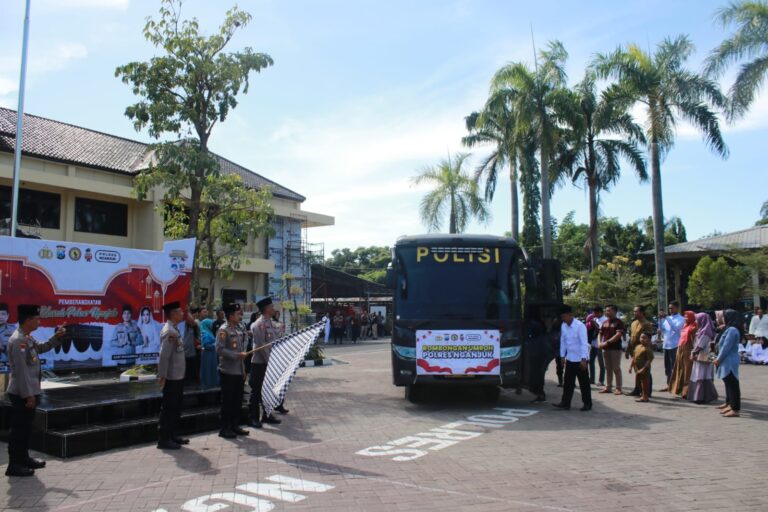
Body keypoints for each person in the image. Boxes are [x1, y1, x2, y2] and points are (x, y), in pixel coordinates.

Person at [5, 305, 65, 477]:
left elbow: (42, 347)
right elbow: (21, 371)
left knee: (26, 429)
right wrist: (28, 395)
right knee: (19, 429)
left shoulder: (27, 338)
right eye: (36, 319)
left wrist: (57, 336)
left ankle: (24, 458)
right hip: (22, 393)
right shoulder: (18, 340)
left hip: (30, 391)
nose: (39, 321)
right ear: (28, 320)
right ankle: (14, 464)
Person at [249, 297, 286, 428]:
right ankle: (253, 417)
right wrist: (272, 363)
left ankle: (267, 414)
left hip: (269, 362)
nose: (273, 308)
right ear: (265, 309)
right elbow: (262, 347)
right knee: (257, 391)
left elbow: (275, 343)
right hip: (260, 363)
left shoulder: (271, 323)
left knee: (268, 390)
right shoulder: (258, 325)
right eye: (271, 306)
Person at [157, 301, 188, 450]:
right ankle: (164, 439)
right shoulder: (169, 331)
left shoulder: (175, 329)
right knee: (169, 408)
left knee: (176, 408)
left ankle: (172, 435)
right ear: (173, 314)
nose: (182, 314)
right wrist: (162, 375)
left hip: (178, 376)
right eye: (180, 311)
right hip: (171, 377)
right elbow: (164, 356)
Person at [216, 303, 250, 438]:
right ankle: (225, 428)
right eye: (237, 314)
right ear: (230, 316)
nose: (240, 316)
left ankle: (235, 425)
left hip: (238, 370)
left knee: (237, 401)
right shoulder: (223, 330)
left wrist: (244, 369)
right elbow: (219, 349)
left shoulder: (238, 329)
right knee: (228, 402)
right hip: (228, 371)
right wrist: (235, 355)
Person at [552, 305, 592, 412]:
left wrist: (584, 359)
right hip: (570, 358)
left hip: (580, 359)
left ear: (570, 315)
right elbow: (563, 341)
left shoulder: (580, 326)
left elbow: (584, 343)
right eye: (562, 317)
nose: (563, 319)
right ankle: (565, 403)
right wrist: (562, 356)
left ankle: (587, 403)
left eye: (564, 316)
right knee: (568, 382)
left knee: (584, 383)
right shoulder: (564, 326)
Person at [715, 310, 742, 418]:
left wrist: (719, 358)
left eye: (725, 316)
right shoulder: (730, 329)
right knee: (728, 382)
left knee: (732, 384)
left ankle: (735, 408)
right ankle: (730, 404)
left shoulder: (732, 330)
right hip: (726, 360)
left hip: (729, 360)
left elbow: (726, 346)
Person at [688, 312, 718, 404]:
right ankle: (704, 396)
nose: (696, 321)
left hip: (703, 357)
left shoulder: (705, 333)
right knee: (704, 375)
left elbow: (700, 346)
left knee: (700, 376)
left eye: (697, 319)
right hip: (706, 357)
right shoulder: (706, 331)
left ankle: (701, 397)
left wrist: (693, 353)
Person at [627, 305, 655, 397]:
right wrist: (628, 349)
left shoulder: (647, 324)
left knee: (645, 371)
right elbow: (631, 337)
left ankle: (647, 392)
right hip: (635, 350)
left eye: (636, 311)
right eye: (634, 311)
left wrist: (647, 351)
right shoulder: (633, 323)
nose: (634, 313)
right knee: (637, 370)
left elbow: (648, 338)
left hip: (643, 351)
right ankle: (637, 389)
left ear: (642, 312)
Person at [670, 311, 697, 399]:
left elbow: (695, 340)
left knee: (687, 370)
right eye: (685, 316)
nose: (685, 318)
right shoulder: (685, 325)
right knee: (679, 368)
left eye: (687, 317)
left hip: (689, 349)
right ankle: (679, 388)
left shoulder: (694, 326)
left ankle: (687, 391)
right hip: (681, 348)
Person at [598, 305, 625, 395]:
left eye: (608, 310)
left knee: (616, 368)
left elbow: (618, 335)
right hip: (605, 349)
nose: (606, 312)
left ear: (614, 311)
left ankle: (618, 388)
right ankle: (608, 386)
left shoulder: (619, 322)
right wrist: (599, 342)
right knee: (608, 368)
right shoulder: (605, 322)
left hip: (615, 349)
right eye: (606, 311)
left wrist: (607, 342)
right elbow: (600, 333)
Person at [658, 301, 685, 391]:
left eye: (672, 308)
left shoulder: (681, 319)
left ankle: (676, 385)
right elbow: (663, 329)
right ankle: (669, 384)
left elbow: (676, 328)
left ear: (677, 308)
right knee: (667, 367)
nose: (670, 310)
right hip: (666, 345)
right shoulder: (667, 318)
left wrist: (667, 318)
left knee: (675, 367)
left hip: (675, 345)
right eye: (669, 308)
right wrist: (661, 319)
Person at [629, 332, 654, 402]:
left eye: (644, 338)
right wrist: (630, 367)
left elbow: (649, 361)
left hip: (644, 370)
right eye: (641, 337)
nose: (642, 339)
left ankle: (645, 396)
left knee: (645, 383)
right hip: (637, 369)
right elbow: (634, 357)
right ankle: (642, 395)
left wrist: (644, 368)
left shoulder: (647, 349)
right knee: (639, 383)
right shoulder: (637, 347)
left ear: (649, 340)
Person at [586, 306, 606, 386]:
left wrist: (594, 324)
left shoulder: (604, 320)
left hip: (600, 344)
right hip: (593, 342)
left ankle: (601, 381)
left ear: (599, 312)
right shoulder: (595, 319)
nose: (593, 314)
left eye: (594, 312)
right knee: (590, 361)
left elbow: (600, 330)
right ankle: (592, 379)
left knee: (601, 363)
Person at [180, 308, 200, 383]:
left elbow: (198, 337)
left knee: (191, 373)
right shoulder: (180, 325)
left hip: (192, 353)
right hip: (181, 353)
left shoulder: (194, 326)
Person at [199, 318, 220, 388]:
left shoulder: (209, 332)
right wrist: (215, 345)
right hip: (208, 355)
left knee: (212, 369)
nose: (212, 326)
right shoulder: (205, 333)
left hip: (211, 354)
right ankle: (208, 385)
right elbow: (206, 345)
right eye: (211, 324)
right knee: (208, 370)